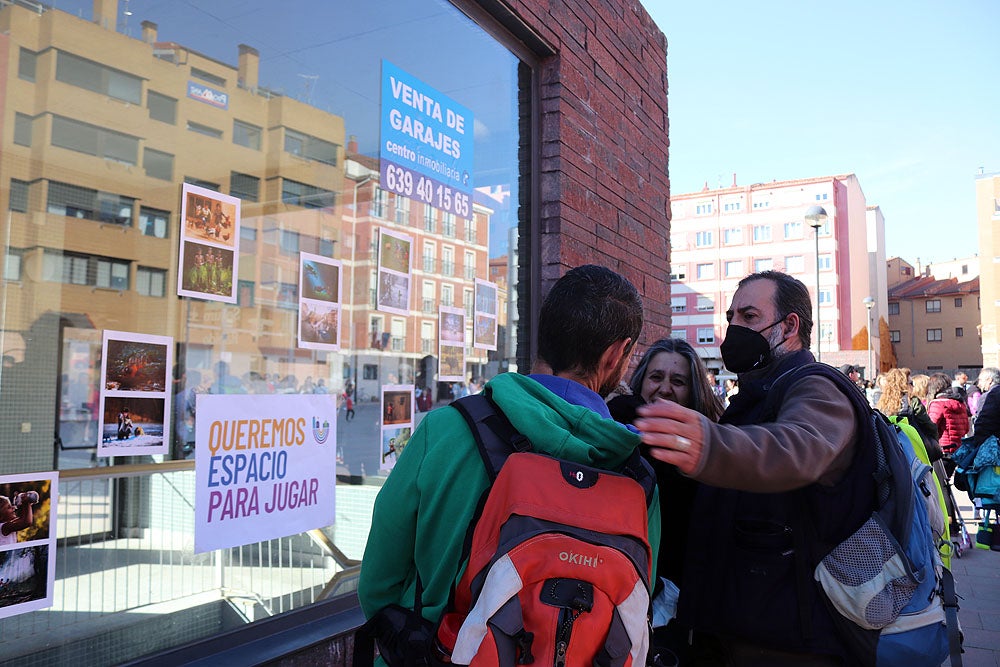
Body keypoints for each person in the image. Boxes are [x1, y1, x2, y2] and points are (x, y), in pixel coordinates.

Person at [359, 265, 660, 662]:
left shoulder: (448, 429)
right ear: (615, 354)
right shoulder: (636, 475)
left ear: (544, 337)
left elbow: (379, 581)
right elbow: (634, 600)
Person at [635, 270, 875, 666]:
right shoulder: (756, 396)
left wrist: (708, 445)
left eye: (748, 317)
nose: (734, 330)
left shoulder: (816, 386)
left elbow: (798, 446)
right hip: (746, 632)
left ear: (790, 326)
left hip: (795, 643)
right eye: (731, 318)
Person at [607, 337, 723, 660]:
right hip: (616, 590)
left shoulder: (711, 448)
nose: (665, 388)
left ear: (693, 390)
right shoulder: (616, 431)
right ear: (642, 381)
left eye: (678, 381)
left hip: (681, 609)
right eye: (656, 377)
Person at [876, 368, 938, 447]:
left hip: (891, 446)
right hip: (913, 446)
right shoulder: (912, 401)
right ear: (904, 385)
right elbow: (927, 424)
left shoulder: (882, 403)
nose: (913, 386)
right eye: (911, 383)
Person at [927, 372, 971, 456]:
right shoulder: (960, 403)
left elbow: (930, 428)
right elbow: (966, 429)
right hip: (959, 450)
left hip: (943, 449)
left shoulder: (937, 404)